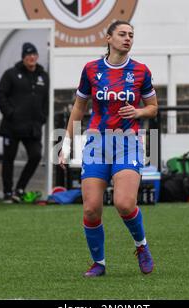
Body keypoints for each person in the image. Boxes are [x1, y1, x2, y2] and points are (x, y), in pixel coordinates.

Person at [59, 21, 158, 277]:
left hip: (127, 143)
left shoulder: (140, 71)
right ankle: (99, 263)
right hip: (96, 143)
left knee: (124, 204)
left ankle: (142, 246)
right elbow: (79, 109)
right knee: (91, 208)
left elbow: (153, 107)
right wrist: (66, 144)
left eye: (131, 35)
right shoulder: (91, 70)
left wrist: (138, 111)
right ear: (109, 38)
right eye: (123, 34)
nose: (128, 39)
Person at [0, 42, 49, 203]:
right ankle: (7, 193)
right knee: (8, 159)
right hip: (12, 126)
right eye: (28, 55)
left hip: (33, 127)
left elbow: (45, 100)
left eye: (33, 55)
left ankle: (20, 189)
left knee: (35, 155)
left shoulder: (43, 76)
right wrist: (11, 113)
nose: (31, 58)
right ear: (23, 58)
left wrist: (42, 116)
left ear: (37, 57)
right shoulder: (11, 74)